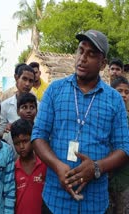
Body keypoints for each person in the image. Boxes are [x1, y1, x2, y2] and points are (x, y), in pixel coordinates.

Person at [31, 29, 129, 214]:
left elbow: (124, 148)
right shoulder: (55, 90)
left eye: (91, 54)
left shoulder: (114, 100)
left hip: (94, 202)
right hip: (55, 199)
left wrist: (97, 168)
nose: (82, 58)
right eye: (81, 50)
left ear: (103, 64)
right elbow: (38, 136)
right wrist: (58, 165)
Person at [11, 118, 46, 214]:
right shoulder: (13, 170)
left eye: (25, 141)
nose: (21, 146)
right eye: (17, 143)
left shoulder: (44, 165)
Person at [0, 64, 35, 138]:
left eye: (30, 81)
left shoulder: (39, 106)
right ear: (17, 78)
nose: (27, 84)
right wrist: (5, 131)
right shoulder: (5, 105)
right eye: (24, 79)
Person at [108, 76, 129, 214]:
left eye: (127, 92)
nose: (123, 95)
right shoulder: (103, 118)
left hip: (125, 182)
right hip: (104, 181)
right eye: (119, 91)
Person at [3, 92, 38, 159]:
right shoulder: (10, 132)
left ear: (36, 110)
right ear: (18, 111)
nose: (28, 111)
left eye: (32, 107)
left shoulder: (41, 131)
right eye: (24, 107)